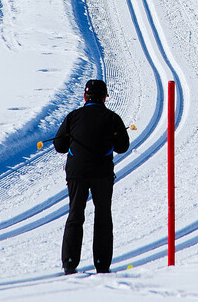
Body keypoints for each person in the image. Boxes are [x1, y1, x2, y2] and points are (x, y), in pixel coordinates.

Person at [54, 79, 130, 275]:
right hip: (102, 173)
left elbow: (59, 146)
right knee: (103, 215)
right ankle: (102, 264)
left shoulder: (73, 116)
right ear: (105, 97)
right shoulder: (112, 118)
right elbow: (123, 147)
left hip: (76, 172)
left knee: (75, 214)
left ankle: (70, 263)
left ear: (84, 97)